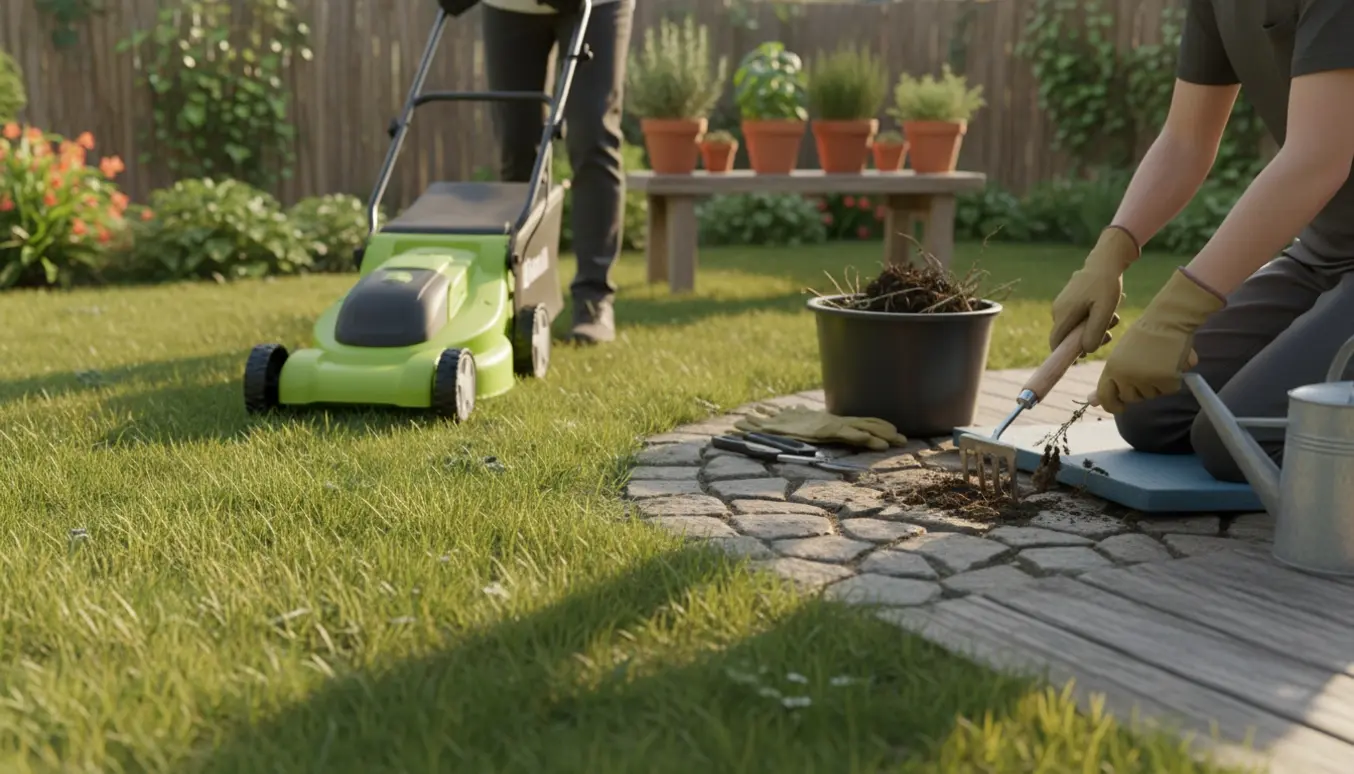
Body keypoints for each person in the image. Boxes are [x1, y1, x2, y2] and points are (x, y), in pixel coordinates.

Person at [1049, 0, 1354, 483]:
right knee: (1151, 411)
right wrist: (1111, 252)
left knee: (1239, 442)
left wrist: (1178, 310)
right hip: (1326, 254)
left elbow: (1317, 158)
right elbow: (1185, 140)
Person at [467, 0, 635, 344]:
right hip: (511, 5)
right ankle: (524, 295)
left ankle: (593, 300)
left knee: (593, 136)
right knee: (516, 143)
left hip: (595, 6)